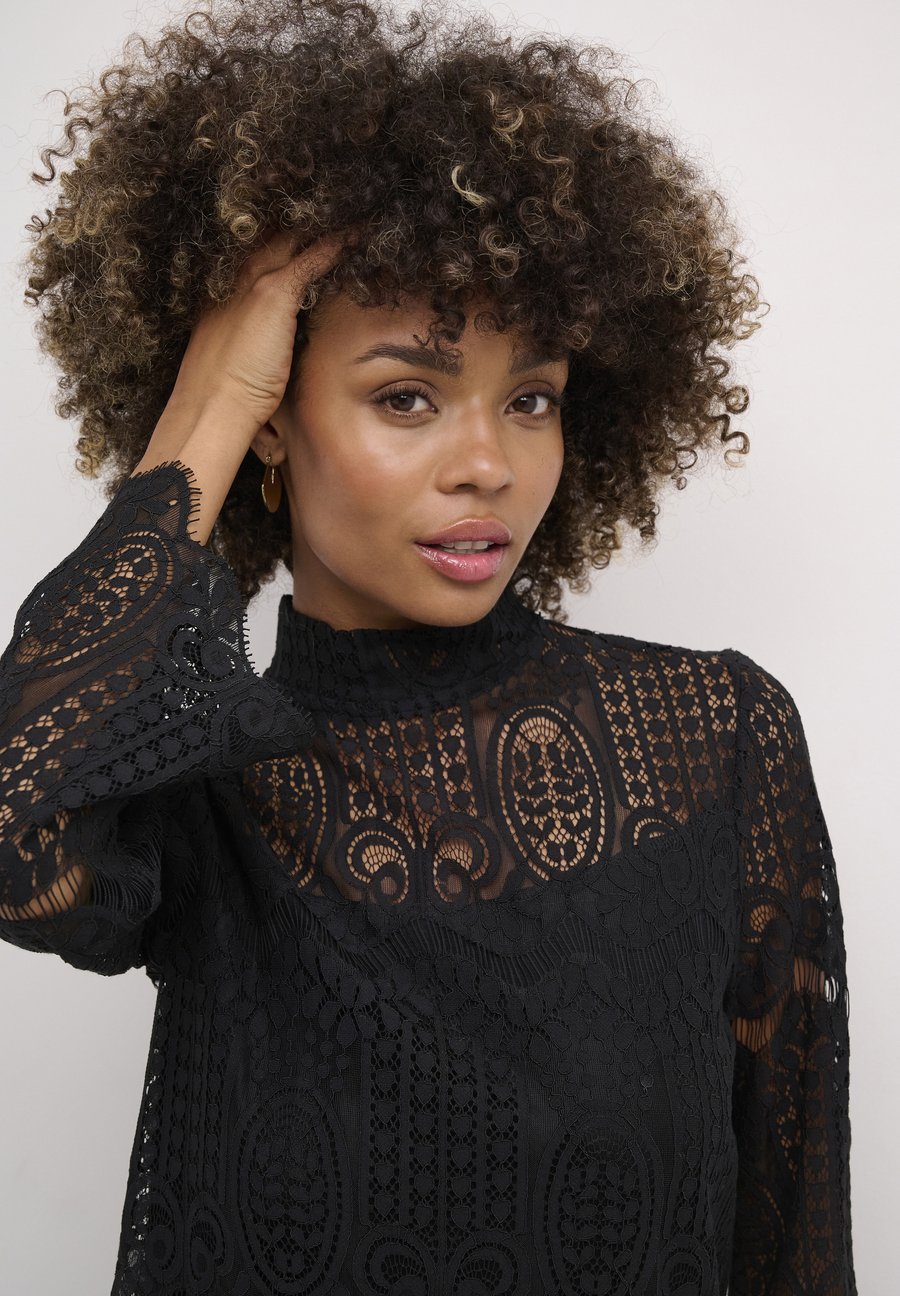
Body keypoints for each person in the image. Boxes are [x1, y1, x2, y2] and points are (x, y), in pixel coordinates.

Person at [0, 0, 856, 1292]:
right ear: (276, 419)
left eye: (532, 399)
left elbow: (796, 1248)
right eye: (406, 396)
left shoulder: (710, 744)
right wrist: (217, 394)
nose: (487, 465)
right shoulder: (198, 787)